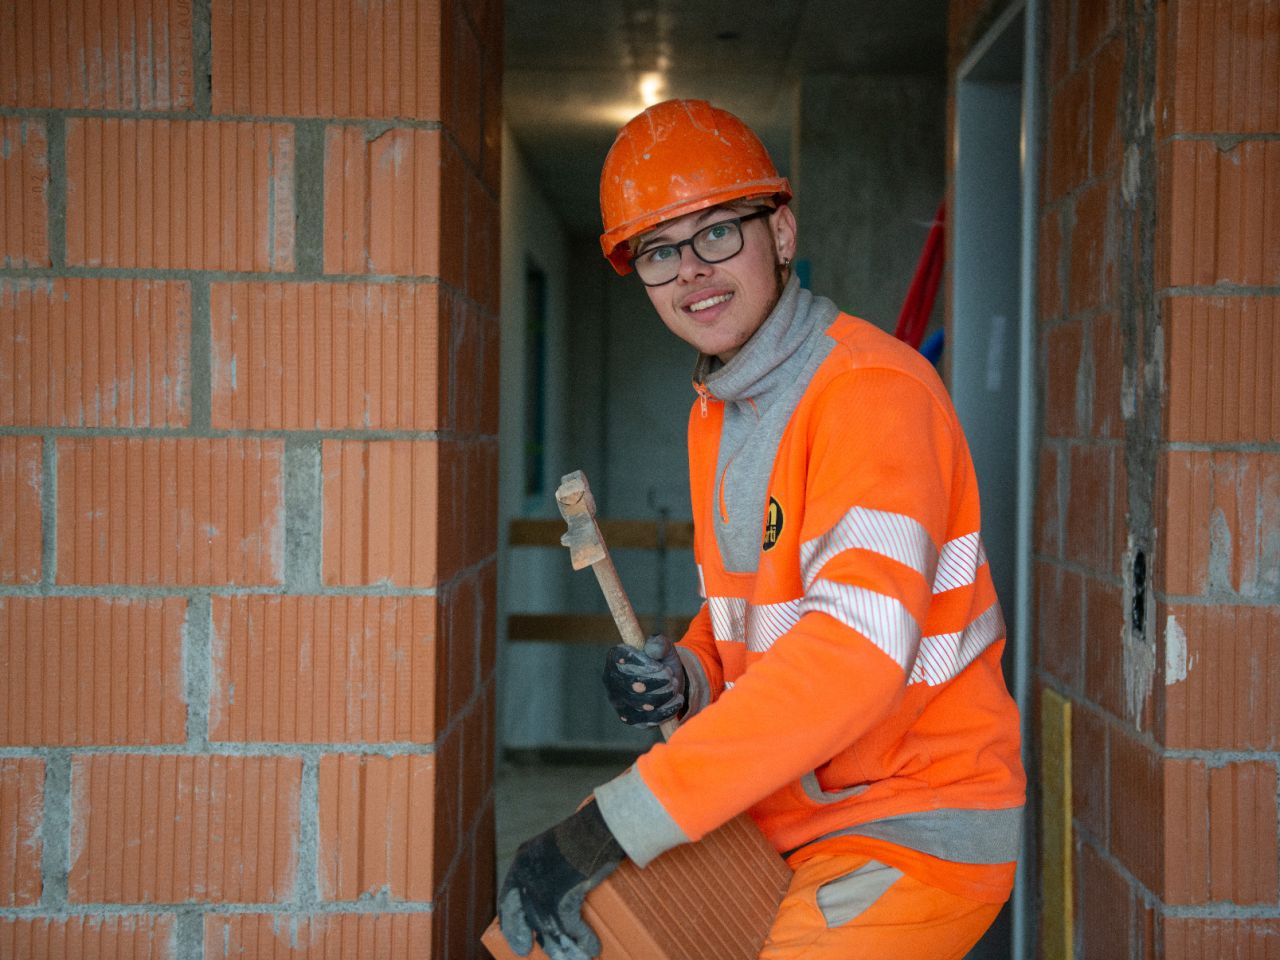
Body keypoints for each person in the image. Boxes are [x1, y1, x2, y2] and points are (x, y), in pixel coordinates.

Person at [498, 98, 1026, 960]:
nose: (691, 272)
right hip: (783, 818)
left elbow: (852, 649)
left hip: (909, 825)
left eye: (716, 234)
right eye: (661, 251)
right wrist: (692, 674)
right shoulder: (718, 414)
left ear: (780, 233)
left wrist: (610, 823)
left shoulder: (867, 393)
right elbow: (749, 616)